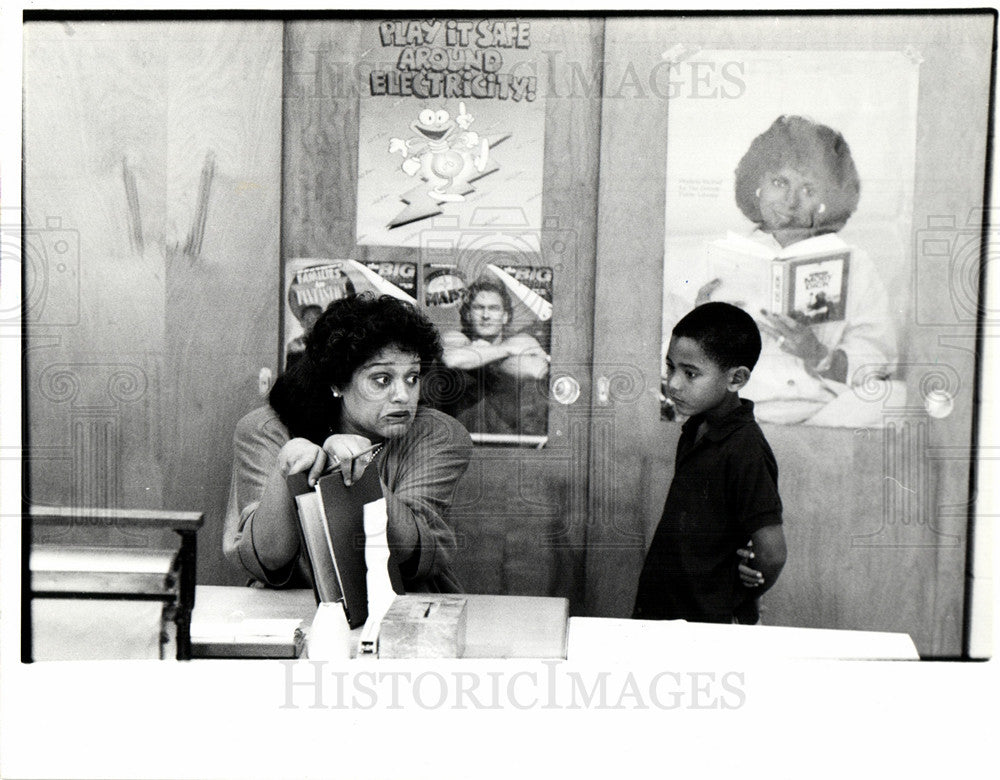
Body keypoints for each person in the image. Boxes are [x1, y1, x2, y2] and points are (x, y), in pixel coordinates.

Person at [223, 293, 473, 593]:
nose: (403, 396)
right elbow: (267, 559)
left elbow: (412, 553)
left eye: (412, 378)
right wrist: (286, 469)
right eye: (382, 379)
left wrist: (363, 473)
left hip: (405, 608)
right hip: (291, 612)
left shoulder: (439, 434)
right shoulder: (266, 430)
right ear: (337, 382)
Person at [702, 114, 898, 425]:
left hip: (824, 412)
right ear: (757, 186)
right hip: (738, 413)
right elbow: (668, 359)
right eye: (779, 182)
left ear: (827, 199)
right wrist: (701, 323)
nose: (791, 201)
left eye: (808, 189)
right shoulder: (715, 258)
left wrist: (818, 353)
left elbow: (877, 353)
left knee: (896, 398)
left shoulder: (854, 263)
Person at [634, 302, 787, 624]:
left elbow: (772, 553)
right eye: (670, 367)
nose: (673, 383)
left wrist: (742, 599)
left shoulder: (746, 448)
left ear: (736, 379)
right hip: (666, 605)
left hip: (707, 620)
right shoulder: (696, 426)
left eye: (690, 373)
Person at [439, 279, 549, 436]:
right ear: (468, 315)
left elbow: (537, 370)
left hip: (507, 442)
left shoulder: (521, 340)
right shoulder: (455, 339)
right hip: (462, 441)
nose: (485, 315)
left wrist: (482, 356)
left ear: (505, 316)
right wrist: (507, 350)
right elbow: (452, 359)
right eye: (478, 308)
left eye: (494, 308)